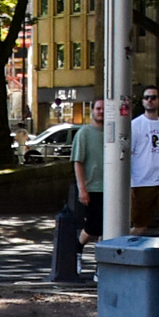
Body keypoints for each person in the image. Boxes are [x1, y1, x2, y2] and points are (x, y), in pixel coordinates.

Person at [128, 86, 159, 233]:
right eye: (146, 97)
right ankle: (122, 246)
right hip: (141, 181)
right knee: (140, 227)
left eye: (153, 97)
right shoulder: (135, 125)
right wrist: (129, 183)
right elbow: (128, 155)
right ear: (143, 101)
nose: (150, 100)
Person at [67, 99, 107, 266]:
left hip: (111, 187)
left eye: (104, 109)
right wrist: (82, 188)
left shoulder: (113, 133)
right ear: (92, 111)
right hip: (93, 187)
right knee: (93, 226)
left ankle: (102, 262)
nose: (101, 112)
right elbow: (78, 161)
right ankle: (78, 248)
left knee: (108, 227)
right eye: (98, 108)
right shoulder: (84, 133)